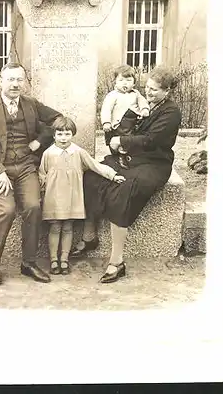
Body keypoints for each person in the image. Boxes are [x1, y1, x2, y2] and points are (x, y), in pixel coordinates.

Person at [71, 66, 181, 283]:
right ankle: (89, 235)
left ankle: (116, 261)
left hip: (154, 164)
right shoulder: (140, 102)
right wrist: (121, 130)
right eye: (148, 87)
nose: (149, 93)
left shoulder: (171, 112)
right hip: (130, 157)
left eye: (155, 90)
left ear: (166, 91)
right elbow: (124, 127)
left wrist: (122, 142)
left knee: (124, 190)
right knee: (91, 177)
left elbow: (151, 140)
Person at [0, 62, 62, 285]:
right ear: (0, 81)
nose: (15, 84)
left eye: (19, 80)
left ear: (24, 82)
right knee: (7, 209)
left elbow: (57, 120)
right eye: (11, 79)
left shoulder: (31, 104)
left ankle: (29, 263)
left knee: (33, 206)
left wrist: (39, 141)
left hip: (25, 166)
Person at [38, 116, 126, 276]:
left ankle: (64, 259)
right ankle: (53, 260)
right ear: (54, 135)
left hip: (72, 196)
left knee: (67, 227)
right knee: (55, 227)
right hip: (54, 197)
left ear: (72, 134)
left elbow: (96, 166)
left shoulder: (78, 152)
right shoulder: (48, 153)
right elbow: (42, 175)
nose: (63, 138)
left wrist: (112, 175)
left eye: (67, 134)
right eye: (59, 134)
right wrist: (42, 195)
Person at [100, 65, 150, 169]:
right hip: (119, 124)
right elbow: (106, 109)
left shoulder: (136, 94)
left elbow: (143, 102)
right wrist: (106, 122)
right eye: (121, 80)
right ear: (116, 82)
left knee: (132, 140)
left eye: (128, 80)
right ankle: (119, 157)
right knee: (118, 141)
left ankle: (129, 157)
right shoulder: (112, 95)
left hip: (133, 122)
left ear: (134, 83)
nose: (125, 83)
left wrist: (145, 109)